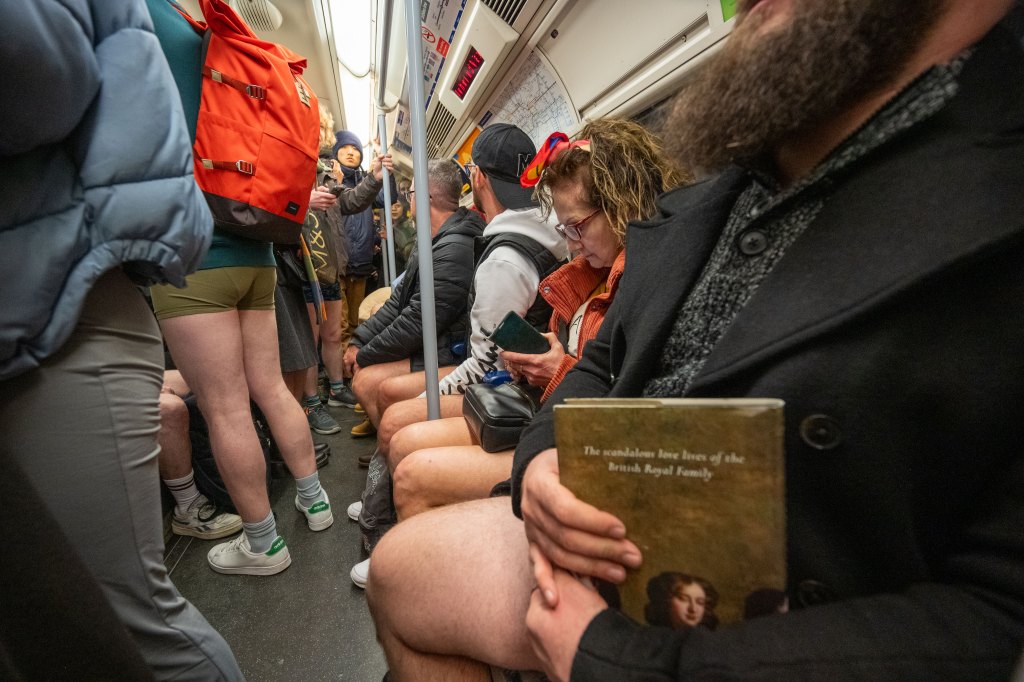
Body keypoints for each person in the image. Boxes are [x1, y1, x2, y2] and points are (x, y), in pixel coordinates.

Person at [366, 2, 1024, 680]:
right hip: (617, 529)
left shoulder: (993, 201)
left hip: (772, 628)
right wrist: (541, 462)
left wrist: (620, 661)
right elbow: (602, 361)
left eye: (579, 220)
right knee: (400, 571)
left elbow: (994, 617)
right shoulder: (715, 196)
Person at [0, 1, 242, 678]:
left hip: (60, 288)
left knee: (124, 620)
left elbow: (40, 72)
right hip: (168, 262)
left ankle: (248, 530)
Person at [384, 120, 688, 523]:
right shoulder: (588, 272)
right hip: (545, 411)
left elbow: (629, 404)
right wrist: (543, 360)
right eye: (565, 228)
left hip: (578, 439)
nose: (572, 243)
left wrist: (556, 370)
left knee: (412, 472)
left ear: (623, 207)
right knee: (404, 441)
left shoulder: (648, 284)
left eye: (578, 226)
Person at [149, 2, 335, 577]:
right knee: (273, 389)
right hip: (255, 245)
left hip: (191, 249)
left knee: (225, 405)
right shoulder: (220, 35)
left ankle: (263, 545)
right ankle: (316, 502)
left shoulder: (141, 21)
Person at [344, 159, 485, 433]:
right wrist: (359, 340)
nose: (409, 201)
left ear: (425, 196)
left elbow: (417, 322)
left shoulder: (454, 247)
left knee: (365, 380)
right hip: (435, 342)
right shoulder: (431, 240)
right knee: (365, 374)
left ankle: (393, 446)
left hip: (450, 350)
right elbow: (398, 302)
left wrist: (364, 355)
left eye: (411, 194)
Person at [302, 112, 395, 435]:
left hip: (331, 265)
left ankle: (338, 387)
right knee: (309, 340)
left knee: (330, 334)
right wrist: (303, 202)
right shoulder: (289, 172)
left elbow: (351, 202)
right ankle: (312, 401)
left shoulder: (328, 176)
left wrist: (375, 178)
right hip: (304, 267)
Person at [335, 129, 399, 397]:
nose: (352, 152)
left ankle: (350, 376)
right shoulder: (331, 181)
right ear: (335, 152)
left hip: (360, 262)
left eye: (356, 149)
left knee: (354, 322)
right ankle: (340, 380)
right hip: (337, 264)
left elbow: (389, 199)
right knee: (338, 327)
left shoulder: (366, 181)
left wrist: (388, 171)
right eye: (346, 148)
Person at [159, 370, 244, 540]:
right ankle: (187, 507)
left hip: (127, 373)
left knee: (211, 378)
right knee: (169, 408)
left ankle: (241, 475)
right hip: (102, 386)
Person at [644, 572, 718, 631]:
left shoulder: (710, 642)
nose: (693, 609)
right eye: (683, 599)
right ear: (667, 601)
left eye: (700, 602)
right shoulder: (649, 638)